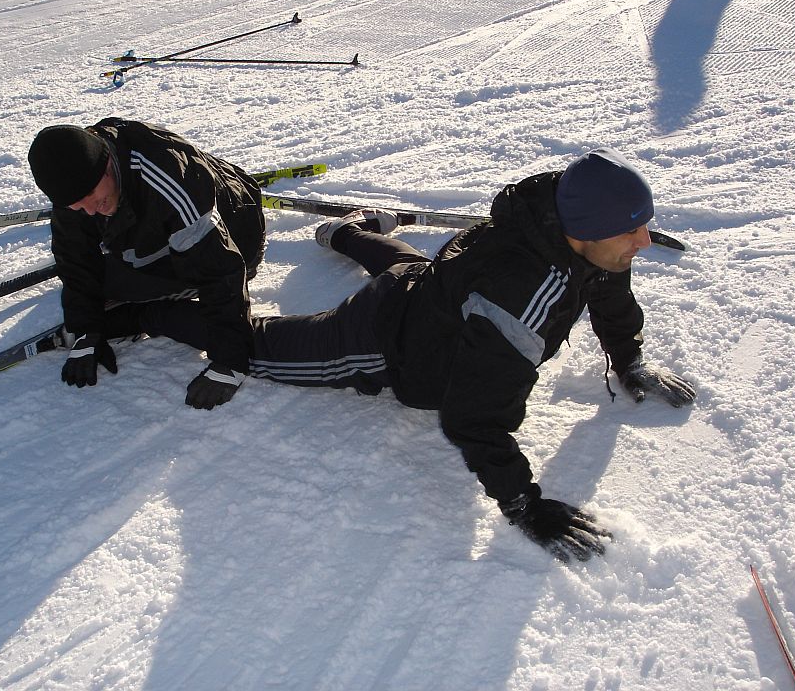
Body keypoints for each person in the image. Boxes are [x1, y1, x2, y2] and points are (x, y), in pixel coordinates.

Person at [102, 147, 697, 563]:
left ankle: (345, 232)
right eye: (633, 231)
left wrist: (629, 360)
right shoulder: (520, 299)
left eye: (644, 226)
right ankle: (143, 314)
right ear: (585, 230)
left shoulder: (576, 232)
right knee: (252, 345)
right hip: (379, 341)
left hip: (432, 289)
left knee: (415, 271)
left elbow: (611, 290)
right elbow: (472, 414)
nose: (643, 242)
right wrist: (522, 502)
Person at [27, 118, 266, 410]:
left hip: (238, 232)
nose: (89, 210)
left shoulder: (166, 179)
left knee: (135, 280)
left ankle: (144, 315)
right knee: (104, 280)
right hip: (162, 227)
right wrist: (86, 329)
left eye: (91, 197)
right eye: (77, 206)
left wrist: (230, 362)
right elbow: (74, 258)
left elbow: (220, 269)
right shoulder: (76, 183)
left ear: (106, 166)